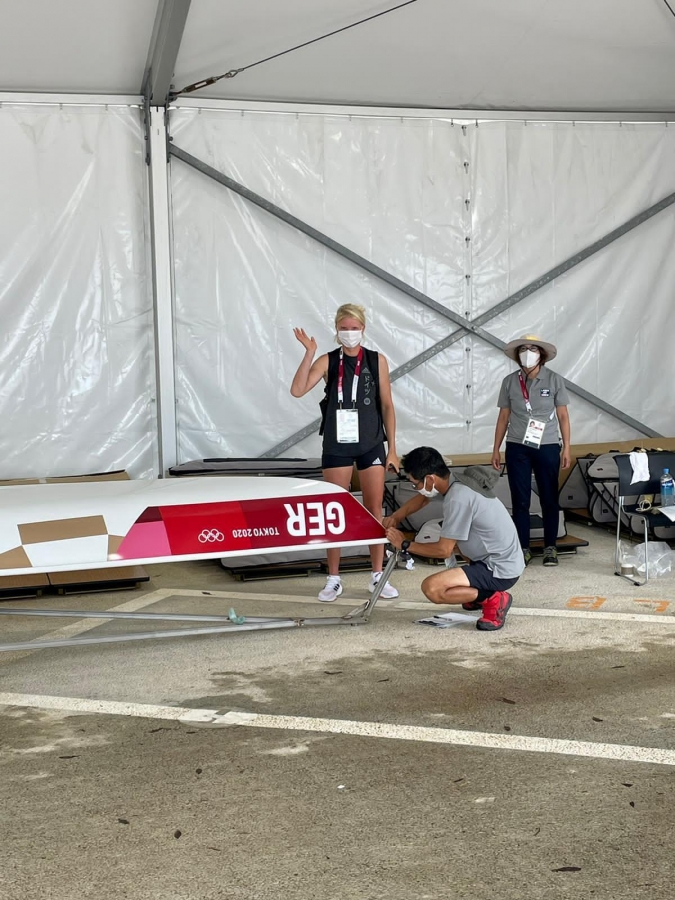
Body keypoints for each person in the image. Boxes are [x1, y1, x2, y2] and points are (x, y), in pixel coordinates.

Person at [290, 303, 400, 602]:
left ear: (363, 329)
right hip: (337, 444)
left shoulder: (377, 360)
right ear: (337, 330)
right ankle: (334, 578)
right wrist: (309, 352)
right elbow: (297, 390)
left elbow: (387, 405)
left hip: (371, 442)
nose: (349, 333)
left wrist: (392, 449)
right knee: (334, 509)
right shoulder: (329, 360)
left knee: (374, 509)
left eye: (354, 328)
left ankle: (377, 574)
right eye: (344, 328)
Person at [384, 447, 524, 631]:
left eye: (415, 484)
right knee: (456, 541)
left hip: (499, 569)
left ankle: (493, 599)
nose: (417, 488)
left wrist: (404, 544)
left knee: (432, 588)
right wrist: (396, 517)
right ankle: (476, 594)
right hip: (502, 558)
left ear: (430, 479)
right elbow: (423, 499)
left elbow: (443, 551)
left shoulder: (458, 498)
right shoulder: (456, 481)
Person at [491, 334, 571, 567]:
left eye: (533, 349)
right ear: (517, 355)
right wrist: (496, 449)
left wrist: (567, 447)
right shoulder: (509, 381)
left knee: (549, 497)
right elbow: (503, 417)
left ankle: (550, 547)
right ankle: (522, 548)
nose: (528, 353)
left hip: (547, 445)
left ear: (541, 355)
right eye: (523, 349)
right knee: (520, 500)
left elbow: (563, 416)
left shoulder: (554, 380)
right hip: (517, 445)